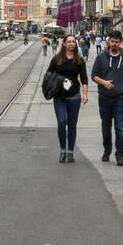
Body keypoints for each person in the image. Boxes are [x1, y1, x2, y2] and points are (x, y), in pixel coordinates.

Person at [91, 33, 123, 166]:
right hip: (104, 97)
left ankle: (120, 154)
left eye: (117, 42)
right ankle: (107, 149)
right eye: (112, 41)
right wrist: (104, 82)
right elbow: (94, 76)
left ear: (121, 42)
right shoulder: (100, 57)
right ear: (109, 42)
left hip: (120, 97)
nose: (114, 44)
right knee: (106, 126)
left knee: (120, 127)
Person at [46, 33, 89, 163]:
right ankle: (62, 149)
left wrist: (85, 94)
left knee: (72, 124)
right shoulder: (57, 59)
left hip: (74, 95)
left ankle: (70, 151)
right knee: (61, 121)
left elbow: (84, 79)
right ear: (64, 43)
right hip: (59, 95)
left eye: (73, 42)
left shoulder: (79, 60)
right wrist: (50, 88)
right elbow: (48, 74)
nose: (71, 44)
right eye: (68, 42)